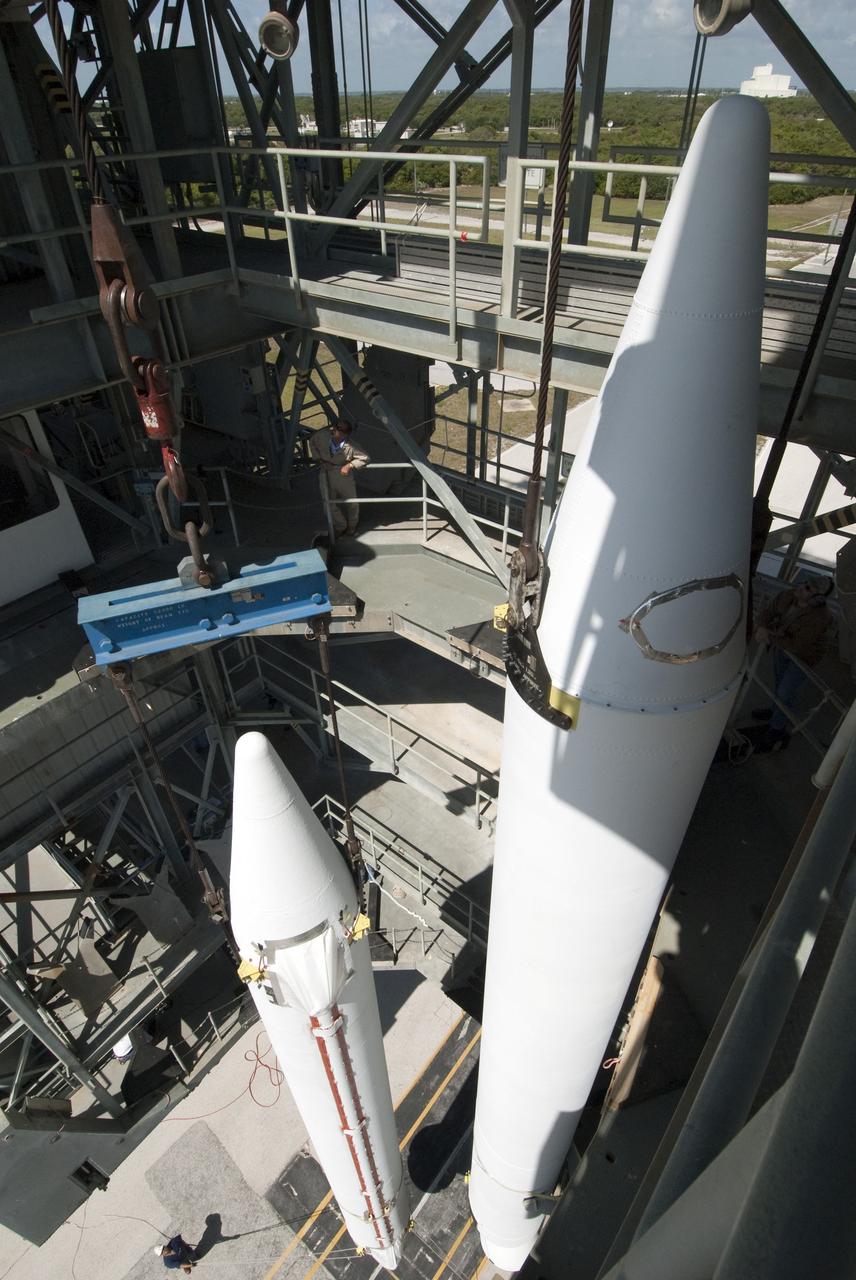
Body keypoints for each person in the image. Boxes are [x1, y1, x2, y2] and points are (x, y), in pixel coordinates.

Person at [753, 576, 834, 750]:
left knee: (785, 691)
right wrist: (761, 626)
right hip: (782, 647)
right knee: (780, 683)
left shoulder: (820, 617)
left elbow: (798, 645)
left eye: (808, 589)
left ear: (816, 598)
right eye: (804, 583)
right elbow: (769, 611)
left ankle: (777, 729)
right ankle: (776, 712)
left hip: (804, 656)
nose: (802, 587)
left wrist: (769, 636)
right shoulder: (788, 596)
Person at [307, 418, 369, 537]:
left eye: (339, 429)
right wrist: (319, 459)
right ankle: (340, 525)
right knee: (328, 502)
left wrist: (350, 465)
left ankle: (352, 526)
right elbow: (312, 441)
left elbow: (365, 458)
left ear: (345, 433)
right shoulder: (322, 436)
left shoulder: (352, 446)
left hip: (342, 475)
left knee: (352, 502)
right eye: (335, 426)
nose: (334, 429)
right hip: (325, 473)